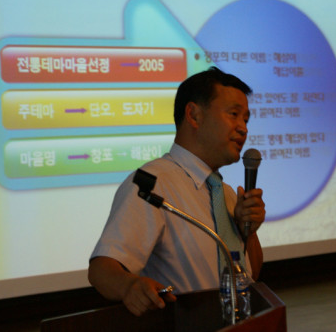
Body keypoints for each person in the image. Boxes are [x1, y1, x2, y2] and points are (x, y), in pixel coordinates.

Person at [88, 67, 266, 316]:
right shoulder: (154, 184)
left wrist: (249, 232)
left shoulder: (226, 194)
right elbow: (102, 268)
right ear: (194, 115)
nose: (243, 129)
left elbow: (250, 274)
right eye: (234, 115)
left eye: (246, 120)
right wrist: (129, 286)